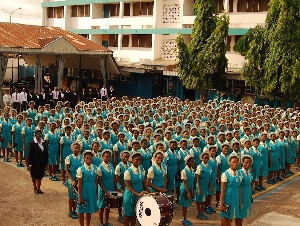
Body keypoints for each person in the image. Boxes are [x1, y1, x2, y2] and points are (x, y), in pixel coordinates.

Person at [123, 152, 149, 226]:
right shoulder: (128, 171)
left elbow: (144, 181)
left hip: (139, 193)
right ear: (132, 160)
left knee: (135, 213)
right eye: (136, 159)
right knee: (128, 214)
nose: (138, 161)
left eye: (140, 160)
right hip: (130, 195)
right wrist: (137, 194)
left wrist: (149, 191)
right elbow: (128, 186)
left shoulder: (141, 169)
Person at [76, 150, 99, 226]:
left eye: (90, 158)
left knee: (89, 209)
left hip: (92, 190)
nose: (88, 159)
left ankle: (87, 225)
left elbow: (96, 181)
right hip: (84, 190)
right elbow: (79, 184)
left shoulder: (95, 168)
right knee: (82, 210)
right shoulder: (81, 169)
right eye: (86, 158)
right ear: (84, 158)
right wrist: (80, 196)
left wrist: (96, 192)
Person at [219, 155, 242, 226]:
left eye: (236, 162)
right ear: (230, 163)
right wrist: (221, 204)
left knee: (234, 216)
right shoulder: (225, 174)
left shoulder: (239, 173)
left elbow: (239, 187)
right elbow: (222, 191)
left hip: (236, 196)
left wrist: (240, 201)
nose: (235, 164)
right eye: (233, 162)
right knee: (226, 217)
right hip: (228, 197)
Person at [97, 150, 116, 226]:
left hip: (110, 187)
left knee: (108, 206)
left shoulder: (111, 166)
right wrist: (105, 192)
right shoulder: (100, 167)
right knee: (101, 206)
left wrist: (116, 188)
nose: (108, 158)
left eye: (109, 157)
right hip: (103, 188)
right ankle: (101, 223)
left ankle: (106, 221)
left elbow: (113, 178)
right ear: (102, 157)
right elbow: (100, 181)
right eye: (106, 157)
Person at [65, 141, 83, 219]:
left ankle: (75, 210)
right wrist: (72, 180)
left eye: (78, 148)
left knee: (77, 196)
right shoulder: (69, 158)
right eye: (75, 148)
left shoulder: (81, 157)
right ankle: (70, 211)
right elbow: (67, 171)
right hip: (72, 179)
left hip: (78, 180)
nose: (77, 149)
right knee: (71, 196)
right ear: (72, 148)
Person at [28, 130, 48, 195]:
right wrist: (30, 164)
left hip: (41, 162)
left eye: (40, 134)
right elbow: (30, 154)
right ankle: (35, 188)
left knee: (40, 176)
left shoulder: (43, 142)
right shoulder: (32, 143)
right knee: (34, 176)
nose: (39, 135)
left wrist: (46, 162)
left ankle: (39, 188)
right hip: (34, 162)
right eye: (37, 134)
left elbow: (46, 152)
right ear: (35, 135)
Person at [236, 155, 253, 226]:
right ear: (242, 163)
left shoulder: (249, 173)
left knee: (242, 214)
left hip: (247, 194)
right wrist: (239, 200)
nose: (248, 164)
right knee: (239, 215)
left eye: (249, 163)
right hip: (241, 195)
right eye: (246, 162)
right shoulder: (239, 173)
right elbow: (237, 186)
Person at [179, 155, 195, 226]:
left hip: (190, 188)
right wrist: (188, 192)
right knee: (184, 205)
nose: (192, 162)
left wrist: (192, 190)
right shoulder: (184, 171)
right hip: (185, 190)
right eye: (191, 161)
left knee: (187, 205)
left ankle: (185, 218)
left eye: (193, 161)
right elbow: (185, 182)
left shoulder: (192, 170)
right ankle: (184, 218)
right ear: (187, 162)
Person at [196, 152, 212, 220]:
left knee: (203, 200)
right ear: (202, 159)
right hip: (200, 185)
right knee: (199, 200)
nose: (205, 159)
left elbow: (209, 177)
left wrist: (210, 185)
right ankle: (199, 213)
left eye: (207, 158)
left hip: (206, 185)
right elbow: (198, 178)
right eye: (204, 158)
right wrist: (199, 188)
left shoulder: (209, 167)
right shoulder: (200, 166)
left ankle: (202, 212)